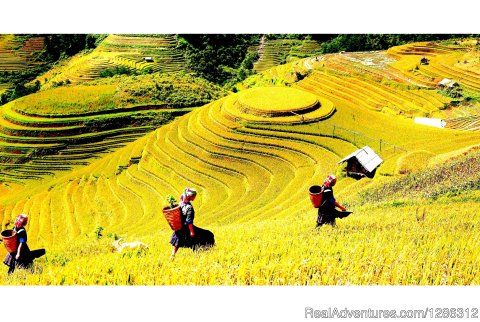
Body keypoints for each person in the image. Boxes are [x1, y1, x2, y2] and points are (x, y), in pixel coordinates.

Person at [170, 188, 215, 257]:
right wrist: (191, 231)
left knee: (177, 243)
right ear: (190, 197)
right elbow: (189, 221)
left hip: (180, 228)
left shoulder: (180, 203)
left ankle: (173, 255)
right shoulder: (189, 208)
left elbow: (182, 198)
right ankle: (199, 253)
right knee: (208, 234)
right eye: (194, 196)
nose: (195, 198)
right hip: (187, 229)